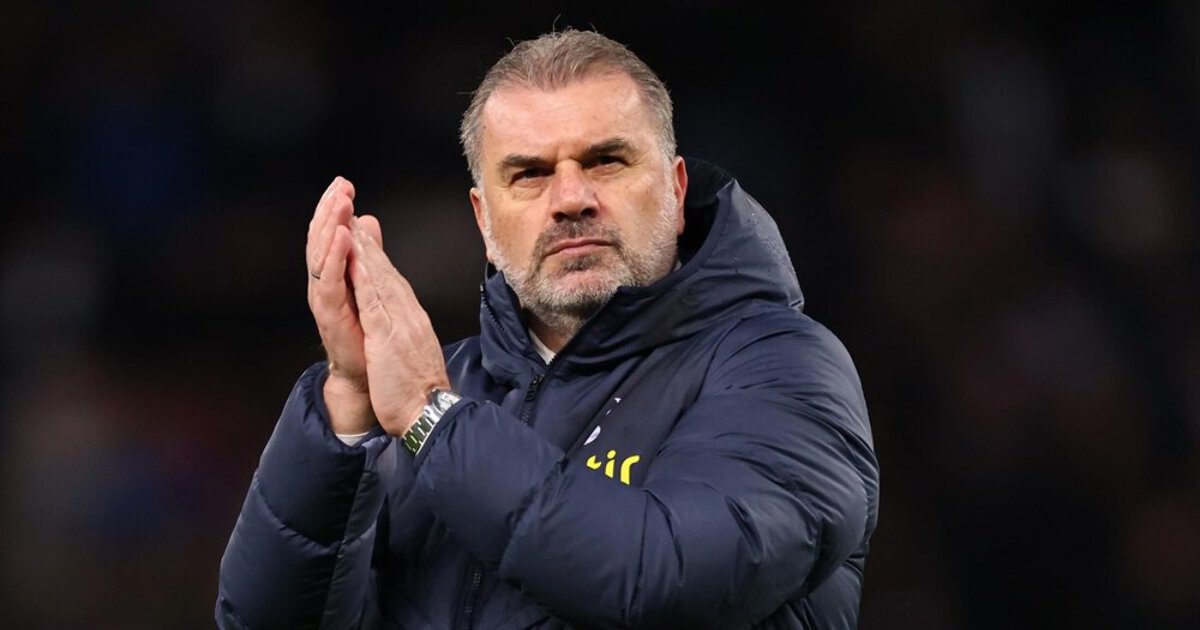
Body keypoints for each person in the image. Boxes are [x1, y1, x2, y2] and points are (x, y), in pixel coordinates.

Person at [217, 28, 880, 629]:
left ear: (676, 192)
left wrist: (431, 418)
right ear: (483, 219)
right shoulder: (423, 395)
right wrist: (349, 399)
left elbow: (665, 580)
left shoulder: (782, 367)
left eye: (606, 161)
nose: (570, 200)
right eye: (529, 174)